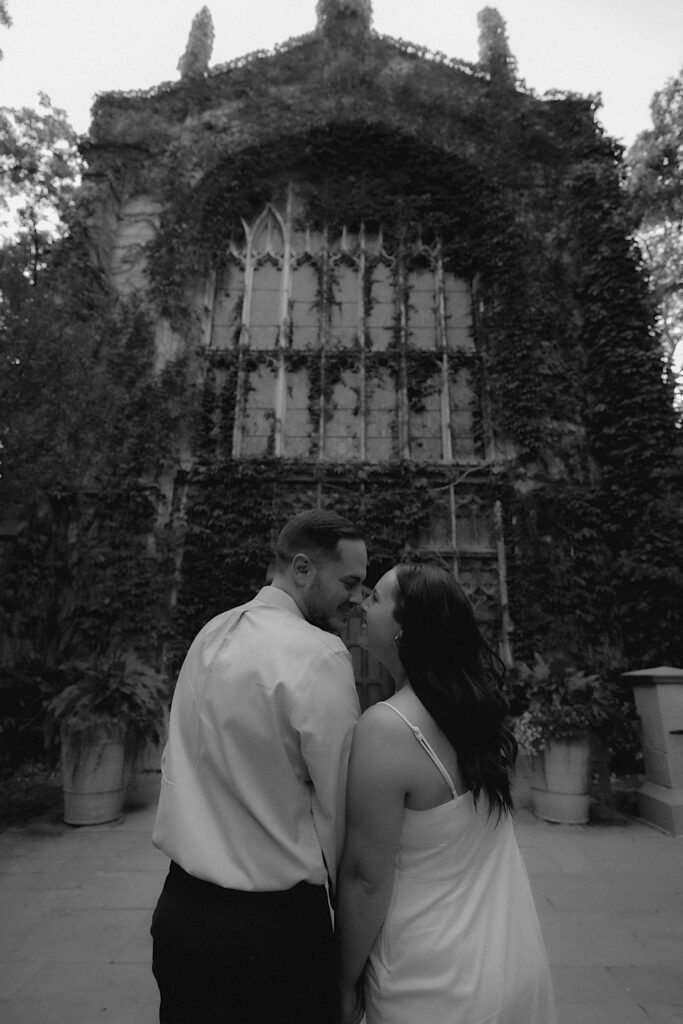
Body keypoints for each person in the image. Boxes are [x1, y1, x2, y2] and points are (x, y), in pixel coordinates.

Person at [151, 509, 367, 1024]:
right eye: (351, 582)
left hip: (181, 915)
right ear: (302, 568)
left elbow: (177, 757)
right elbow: (339, 810)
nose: (359, 598)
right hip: (277, 933)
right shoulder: (320, 656)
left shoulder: (209, 633)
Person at [336, 561, 557, 1024]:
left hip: (428, 982)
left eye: (375, 597)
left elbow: (366, 878)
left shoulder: (387, 727)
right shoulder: (472, 712)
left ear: (404, 629)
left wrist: (341, 981)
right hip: (507, 963)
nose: (361, 602)